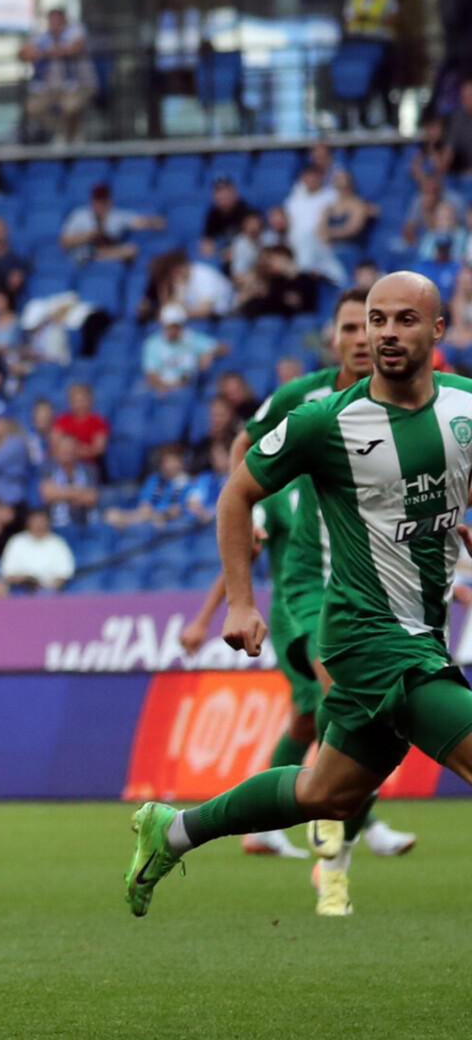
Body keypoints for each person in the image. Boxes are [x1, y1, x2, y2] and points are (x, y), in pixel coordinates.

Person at [125, 272, 471, 921]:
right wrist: (238, 601)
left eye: (404, 320)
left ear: (438, 330)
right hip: (366, 636)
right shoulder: (322, 420)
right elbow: (236, 492)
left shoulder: (465, 408)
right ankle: (338, 863)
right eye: (377, 320)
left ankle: (171, 831)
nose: (387, 334)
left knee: (325, 793)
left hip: (422, 631)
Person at [177, 288, 414, 860]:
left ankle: (271, 824)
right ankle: (356, 823)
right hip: (304, 595)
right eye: (352, 327)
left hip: (366, 589)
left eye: (373, 326)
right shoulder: (302, 405)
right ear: (335, 337)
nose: (363, 337)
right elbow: (244, 448)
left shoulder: (399, 409)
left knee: (310, 720)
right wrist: (253, 511)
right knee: (346, 695)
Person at [21, 7, 98, 143]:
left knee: (69, 106)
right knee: (31, 108)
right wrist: (38, 51)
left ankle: (68, 135)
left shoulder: (76, 31)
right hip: (49, 89)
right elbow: (24, 53)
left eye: (58, 20)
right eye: (52, 20)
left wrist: (46, 52)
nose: (54, 24)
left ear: (64, 20)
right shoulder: (43, 36)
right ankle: (62, 131)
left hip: (80, 86)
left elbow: (74, 48)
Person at [340, 0, 400, 127]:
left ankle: (388, 122)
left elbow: (392, 18)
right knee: (360, 85)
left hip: (381, 46)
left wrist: (370, 19)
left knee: (383, 87)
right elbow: (348, 19)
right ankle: (361, 121)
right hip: (359, 47)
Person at [61, 183, 163, 263]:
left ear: (110, 200)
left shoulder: (117, 216)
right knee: (83, 252)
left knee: (131, 249)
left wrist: (158, 222)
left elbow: (140, 221)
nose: (100, 204)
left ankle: (102, 256)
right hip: (84, 254)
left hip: (109, 252)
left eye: (103, 200)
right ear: (92, 200)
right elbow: (64, 242)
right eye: (97, 200)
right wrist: (89, 235)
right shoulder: (79, 216)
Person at [142, 314, 224, 394]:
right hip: (166, 388)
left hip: (189, 387)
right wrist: (164, 386)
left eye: (176, 326)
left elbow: (222, 347)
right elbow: (151, 373)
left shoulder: (191, 338)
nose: (172, 330)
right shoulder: (153, 343)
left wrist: (209, 353)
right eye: (169, 326)